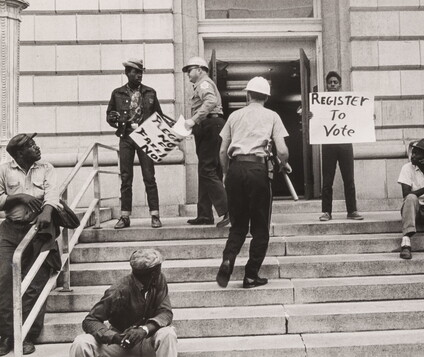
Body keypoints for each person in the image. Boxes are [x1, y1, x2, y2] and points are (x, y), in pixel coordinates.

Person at [216, 76, 290, 289]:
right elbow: (282, 150)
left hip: (236, 169)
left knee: (237, 226)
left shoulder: (234, 116)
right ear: (266, 97)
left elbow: (222, 150)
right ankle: (250, 275)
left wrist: (226, 173)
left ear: (247, 95)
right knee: (260, 227)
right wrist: (283, 164)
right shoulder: (272, 116)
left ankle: (228, 258)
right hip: (258, 170)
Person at [0, 133, 61, 355]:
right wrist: (20, 197)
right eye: (31, 146)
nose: (37, 148)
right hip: (9, 231)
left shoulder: (46, 167)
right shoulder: (4, 169)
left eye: (35, 144)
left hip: (38, 231)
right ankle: (7, 336)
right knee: (4, 281)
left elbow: (53, 193)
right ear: (19, 154)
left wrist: (47, 210)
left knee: (35, 284)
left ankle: (26, 335)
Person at [70, 249, 177, 357]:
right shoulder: (118, 291)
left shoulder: (159, 280)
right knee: (81, 342)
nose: (160, 272)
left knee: (168, 334)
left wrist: (145, 329)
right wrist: (114, 337)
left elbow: (166, 313)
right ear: (153, 273)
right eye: (158, 269)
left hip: (148, 341)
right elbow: (90, 320)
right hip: (121, 344)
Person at [106, 58, 162, 230]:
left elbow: (159, 117)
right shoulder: (117, 93)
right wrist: (113, 119)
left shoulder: (150, 92)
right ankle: (125, 216)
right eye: (135, 72)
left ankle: (155, 215)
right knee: (125, 177)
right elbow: (109, 116)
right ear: (127, 73)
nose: (139, 75)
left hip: (145, 136)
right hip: (126, 136)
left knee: (149, 176)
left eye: (141, 72)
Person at [182, 56, 229, 228]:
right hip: (209, 125)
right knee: (207, 169)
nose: (188, 73)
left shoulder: (203, 83)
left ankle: (228, 209)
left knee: (207, 168)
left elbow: (211, 101)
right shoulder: (200, 84)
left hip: (210, 124)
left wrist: (194, 119)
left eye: (190, 69)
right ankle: (204, 214)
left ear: (200, 69)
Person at [318, 71, 363, 222]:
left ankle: (352, 210)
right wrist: (312, 116)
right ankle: (326, 212)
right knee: (327, 180)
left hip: (345, 144)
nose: (332, 85)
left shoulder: (347, 102)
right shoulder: (320, 102)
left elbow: (358, 117)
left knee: (349, 179)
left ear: (339, 85)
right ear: (326, 85)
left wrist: (368, 117)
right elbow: (317, 122)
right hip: (328, 145)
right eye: (330, 82)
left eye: (335, 82)